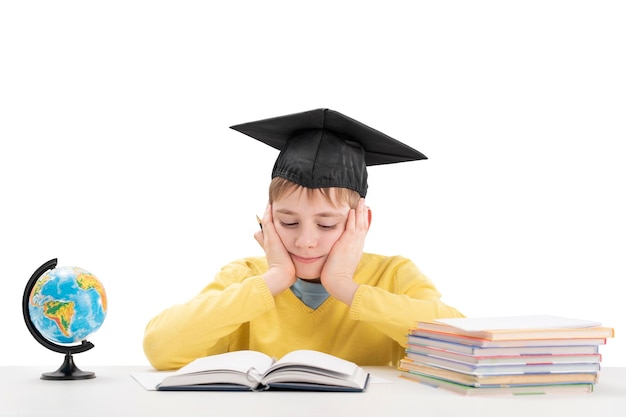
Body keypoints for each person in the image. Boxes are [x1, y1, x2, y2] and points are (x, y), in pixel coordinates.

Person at [143, 108, 464, 370]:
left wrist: (344, 286)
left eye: (326, 225)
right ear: (268, 218)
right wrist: (274, 279)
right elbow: (161, 348)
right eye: (288, 221)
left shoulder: (393, 275)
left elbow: (463, 345)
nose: (305, 241)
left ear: (361, 222)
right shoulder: (245, 277)